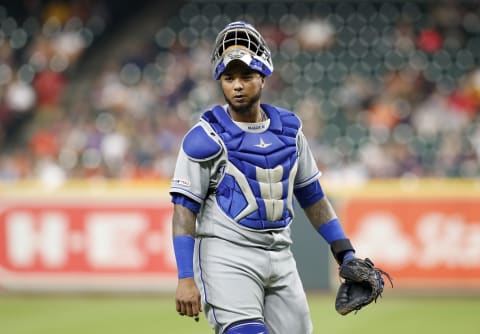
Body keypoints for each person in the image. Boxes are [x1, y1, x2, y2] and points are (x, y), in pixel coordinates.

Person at [170, 21, 356, 334]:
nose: (237, 85)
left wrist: (345, 252)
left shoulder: (289, 131)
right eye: (229, 78)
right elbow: (183, 210)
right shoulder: (205, 137)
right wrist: (185, 276)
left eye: (246, 76)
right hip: (226, 255)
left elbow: (313, 196)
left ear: (263, 77)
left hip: (280, 254)